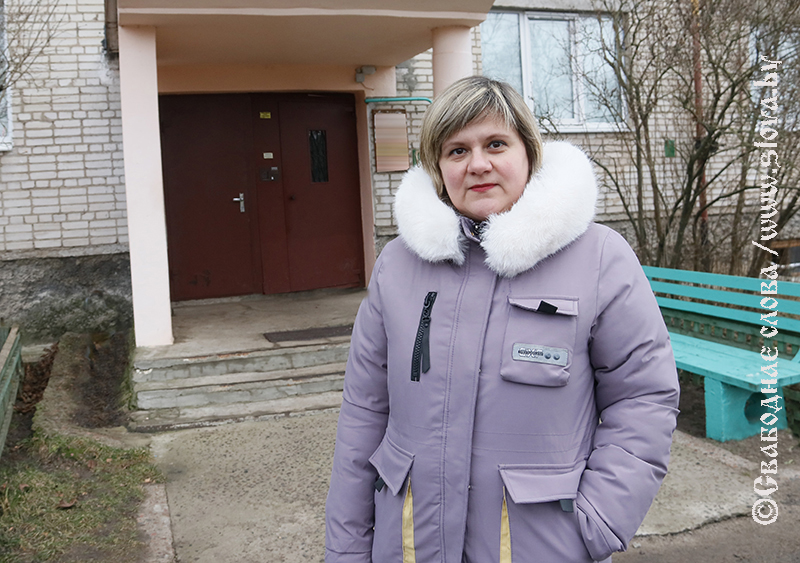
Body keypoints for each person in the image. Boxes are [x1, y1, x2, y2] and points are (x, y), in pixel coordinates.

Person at [325, 76, 679, 563]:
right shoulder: (398, 265)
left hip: (542, 547)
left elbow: (643, 399)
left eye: (495, 144)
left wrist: (598, 521)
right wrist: (346, 550)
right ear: (438, 169)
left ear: (528, 152)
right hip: (408, 544)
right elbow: (364, 413)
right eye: (457, 150)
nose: (478, 164)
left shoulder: (599, 258)